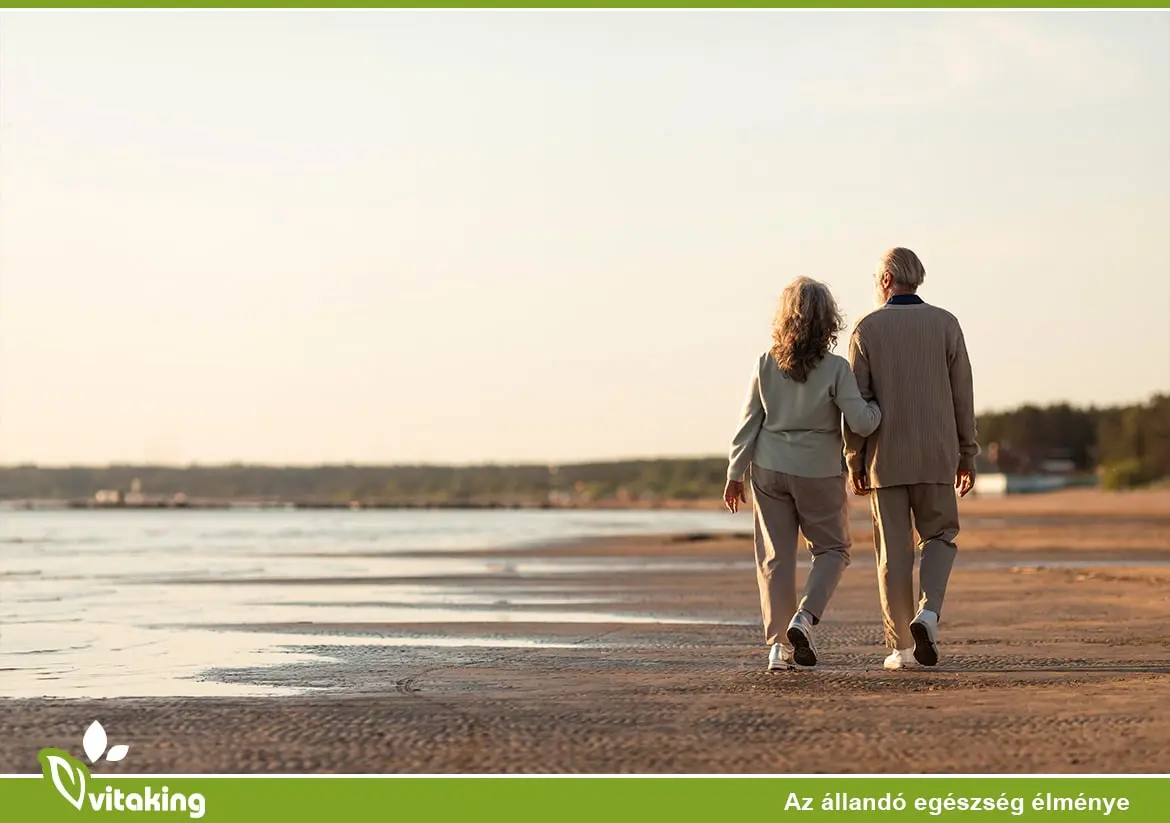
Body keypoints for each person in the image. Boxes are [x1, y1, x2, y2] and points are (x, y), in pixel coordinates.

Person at [724, 277, 881, 671]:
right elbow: (862, 423)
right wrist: (878, 408)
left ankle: (777, 649)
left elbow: (748, 424)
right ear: (828, 320)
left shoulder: (765, 364)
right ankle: (804, 618)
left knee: (775, 558)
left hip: (769, 468)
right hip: (818, 471)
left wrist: (734, 473)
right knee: (832, 550)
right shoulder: (836, 369)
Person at [843, 247, 978, 671]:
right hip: (937, 453)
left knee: (893, 554)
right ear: (915, 277)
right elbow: (963, 395)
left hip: (886, 459)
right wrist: (967, 453)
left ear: (885, 280)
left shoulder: (866, 329)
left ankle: (901, 648)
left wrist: (854, 461)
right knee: (939, 537)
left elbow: (856, 403)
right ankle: (929, 614)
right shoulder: (946, 324)